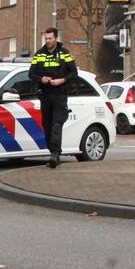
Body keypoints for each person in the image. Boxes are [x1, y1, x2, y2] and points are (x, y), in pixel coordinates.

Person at [28, 27, 78, 169]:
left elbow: (74, 73)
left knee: (57, 124)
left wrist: (62, 80)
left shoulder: (64, 53)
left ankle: (55, 155)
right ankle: (53, 153)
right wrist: (41, 79)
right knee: (47, 125)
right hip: (45, 95)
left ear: (56, 38)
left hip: (60, 94)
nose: (48, 41)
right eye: (46, 39)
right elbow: (31, 74)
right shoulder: (39, 54)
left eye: (50, 38)